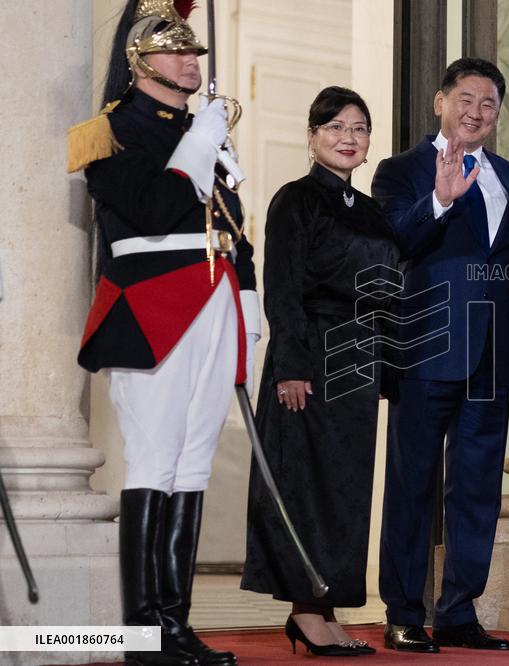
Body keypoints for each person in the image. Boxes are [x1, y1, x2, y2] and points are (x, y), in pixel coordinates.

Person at [69, 1, 257, 664]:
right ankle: (141, 630)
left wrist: (250, 304)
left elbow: (234, 226)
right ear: (139, 60)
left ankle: (174, 624)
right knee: (153, 461)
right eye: (177, 51)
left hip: (214, 303)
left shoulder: (202, 128)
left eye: (194, 53)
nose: (190, 61)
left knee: (194, 463)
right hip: (150, 307)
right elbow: (150, 209)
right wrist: (202, 141)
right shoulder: (110, 132)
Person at [372, 57, 509, 653]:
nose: (477, 111)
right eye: (466, 98)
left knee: (478, 485)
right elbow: (397, 243)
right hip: (423, 347)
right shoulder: (399, 170)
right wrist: (437, 201)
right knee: (413, 484)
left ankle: (459, 611)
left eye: (489, 103)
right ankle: (404, 610)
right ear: (440, 102)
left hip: (489, 353)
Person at [240, 86, 398, 658]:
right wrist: (290, 366)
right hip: (307, 361)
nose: (347, 138)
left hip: (357, 363)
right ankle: (306, 613)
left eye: (357, 129)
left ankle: (325, 609)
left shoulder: (372, 209)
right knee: (304, 485)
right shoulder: (295, 200)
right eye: (335, 128)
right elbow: (281, 286)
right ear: (312, 138)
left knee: (343, 491)